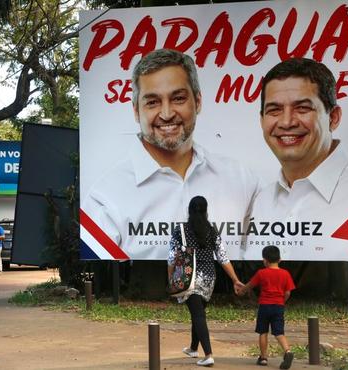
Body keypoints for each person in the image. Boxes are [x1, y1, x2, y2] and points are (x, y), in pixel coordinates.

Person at [83, 49, 259, 258]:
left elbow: (260, 259)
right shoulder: (104, 197)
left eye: (178, 98)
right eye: (152, 102)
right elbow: (107, 282)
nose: (166, 114)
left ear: (198, 102)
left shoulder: (242, 180)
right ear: (136, 111)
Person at [245, 58, 348, 261]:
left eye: (303, 108)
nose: (286, 122)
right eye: (274, 110)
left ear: (334, 117)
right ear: (262, 121)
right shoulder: (262, 201)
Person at [168, 196, 244, 367]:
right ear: (206, 210)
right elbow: (223, 258)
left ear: (189, 210)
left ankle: (208, 354)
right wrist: (235, 279)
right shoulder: (212, 230)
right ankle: (193, 348)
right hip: (209, 277)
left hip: (190, 277)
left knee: (198, 315)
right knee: (199, 312)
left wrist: (170, 277)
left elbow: (172, 258)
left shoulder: (180, 230)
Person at [239, 245, 295, 369]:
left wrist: (241, 290)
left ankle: (263, 358)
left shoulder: (261, 273)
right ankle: (287, 351)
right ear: (280, 259)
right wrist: (282, 301)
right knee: (279, 332)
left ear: (264, 260)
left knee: (263, 332)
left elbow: (250, 285)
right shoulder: (285, 274)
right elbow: (288, 292)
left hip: (264, 306)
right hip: (278, 306)